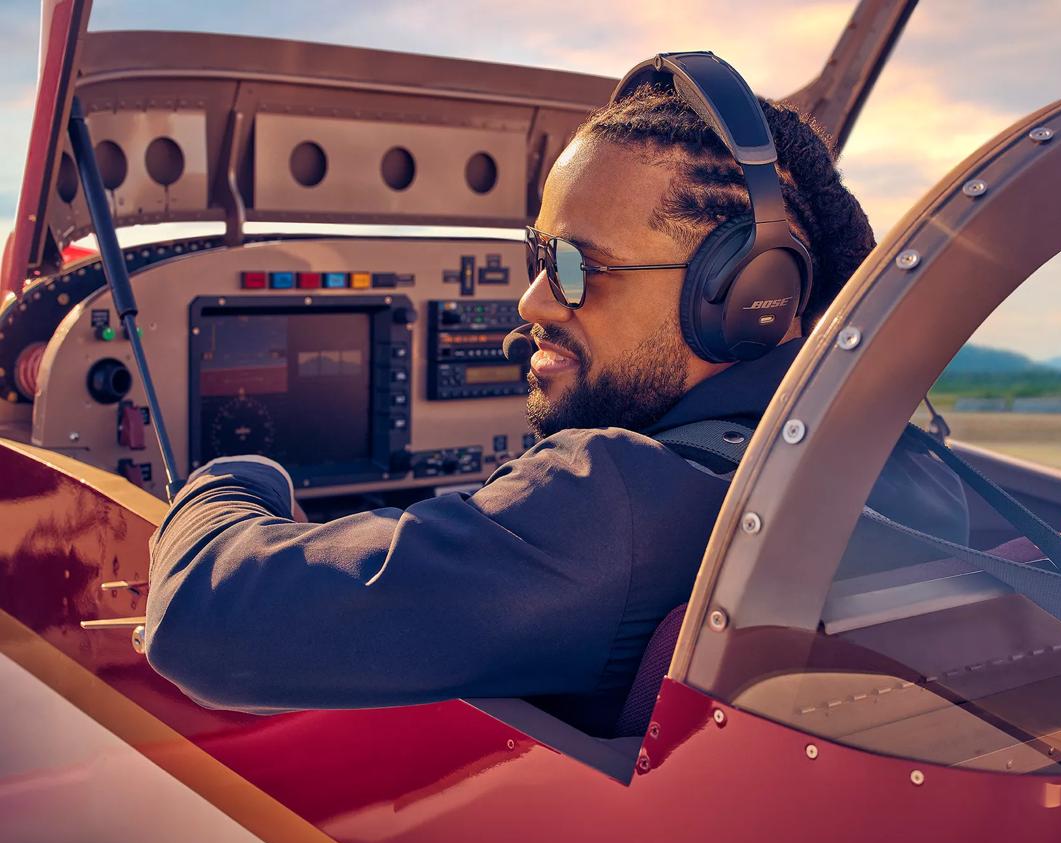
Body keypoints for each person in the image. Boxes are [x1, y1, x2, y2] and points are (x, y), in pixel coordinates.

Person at [144, 71, 967, 736]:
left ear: (743, 294)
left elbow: (205, 620)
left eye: (576, 265)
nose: (534, 303)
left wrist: (233, 478)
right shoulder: (914, 467)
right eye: (538, 255)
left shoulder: (609, 500)